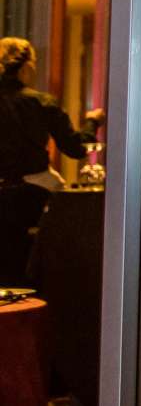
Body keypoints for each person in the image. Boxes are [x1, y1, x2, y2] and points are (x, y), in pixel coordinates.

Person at [0, 38, 85, 281]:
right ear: (26, 67)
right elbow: (76, 148)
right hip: (33, 197)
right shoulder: (41, 102)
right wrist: (93, 122)